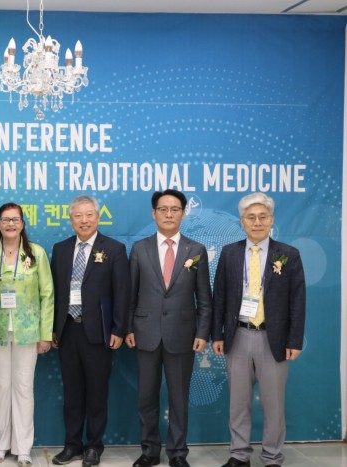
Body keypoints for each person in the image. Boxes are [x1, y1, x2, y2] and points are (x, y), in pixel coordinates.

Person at [212, 192, 306, 467]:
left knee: (273, 403)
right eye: (251, 217)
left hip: (273, 338)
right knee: (238, 402)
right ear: (242, 221)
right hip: (237, 336)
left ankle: (272, 456)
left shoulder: (288, 254)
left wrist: (294, 340)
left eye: (262, 217)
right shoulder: (229, 253)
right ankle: (239, 455)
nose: (257, 222)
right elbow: (220, 296)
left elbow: (298, 300)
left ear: (271, 220)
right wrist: (217, 334)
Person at [125, 189, 212, 467]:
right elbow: (130, 294)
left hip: (182, 335)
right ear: (154, 214)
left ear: (183, 213)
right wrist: (128, 328)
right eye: (163, 209)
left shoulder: (195, 250)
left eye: (175, 209)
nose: (169, 214)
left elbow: (204, 298)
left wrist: (202, 333)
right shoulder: (139, 248)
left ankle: (177, 452)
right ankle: (149, 451)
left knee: (179, 397)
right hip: (145, 333)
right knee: (146, 397)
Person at [50, 195, 131, 467]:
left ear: (97, 217)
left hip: (99, 333)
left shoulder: (114, 249)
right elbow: (55, 293)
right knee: (72, 394)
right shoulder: (61, 249)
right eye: (78, 216)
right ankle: (72, 445)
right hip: (68, 331)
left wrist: (119, 329)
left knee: (97, 393)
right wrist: (54, 328)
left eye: (89, 215)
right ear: (70, 219)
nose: (83, 221)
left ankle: (94, 446)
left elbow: (122, 292)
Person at [0, 203, 54, 467]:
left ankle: (23, 448)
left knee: (24, 387)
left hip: (28, 330)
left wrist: (45, 334)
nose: (11, 224)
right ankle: (0, 445)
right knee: (1, 387)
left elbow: (47, 294)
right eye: (5, 220)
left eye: (16, 220)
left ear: (23, 224)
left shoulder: (36, 253)